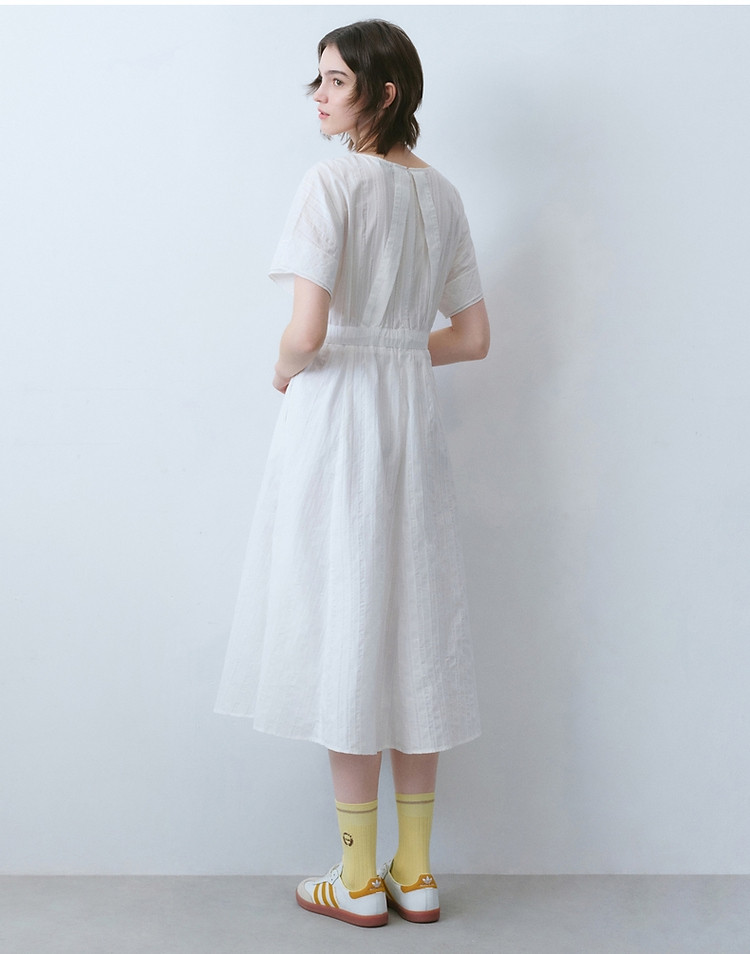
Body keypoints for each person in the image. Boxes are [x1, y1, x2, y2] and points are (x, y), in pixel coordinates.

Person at [214, 19, 490, 928]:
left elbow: (305, 329)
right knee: (415, 628)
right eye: (319, 80)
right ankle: (418, 872)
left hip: (337, 425)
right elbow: (474, 337)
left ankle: (357, 877)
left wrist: (289, 367)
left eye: (337, 80)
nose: (320, 95)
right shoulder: (443, 194)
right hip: (410, 427)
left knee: (347, 627)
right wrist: (398, 349)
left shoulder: (330, 181)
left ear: (385, 92)